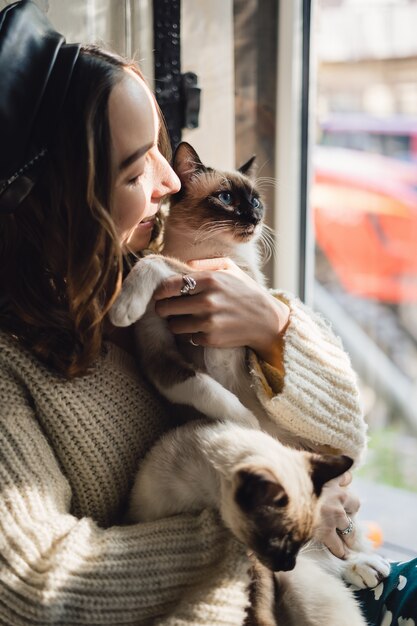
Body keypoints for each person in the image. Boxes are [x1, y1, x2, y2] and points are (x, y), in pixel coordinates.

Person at [0, 2, 415, 625]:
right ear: (58, 200)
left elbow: (344, 446)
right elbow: (32, 586)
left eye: (165, 151)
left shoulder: (155, 263)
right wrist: (275, 525)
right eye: (138, 166)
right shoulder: (12, 370)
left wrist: (275, 331)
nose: (170, 181)